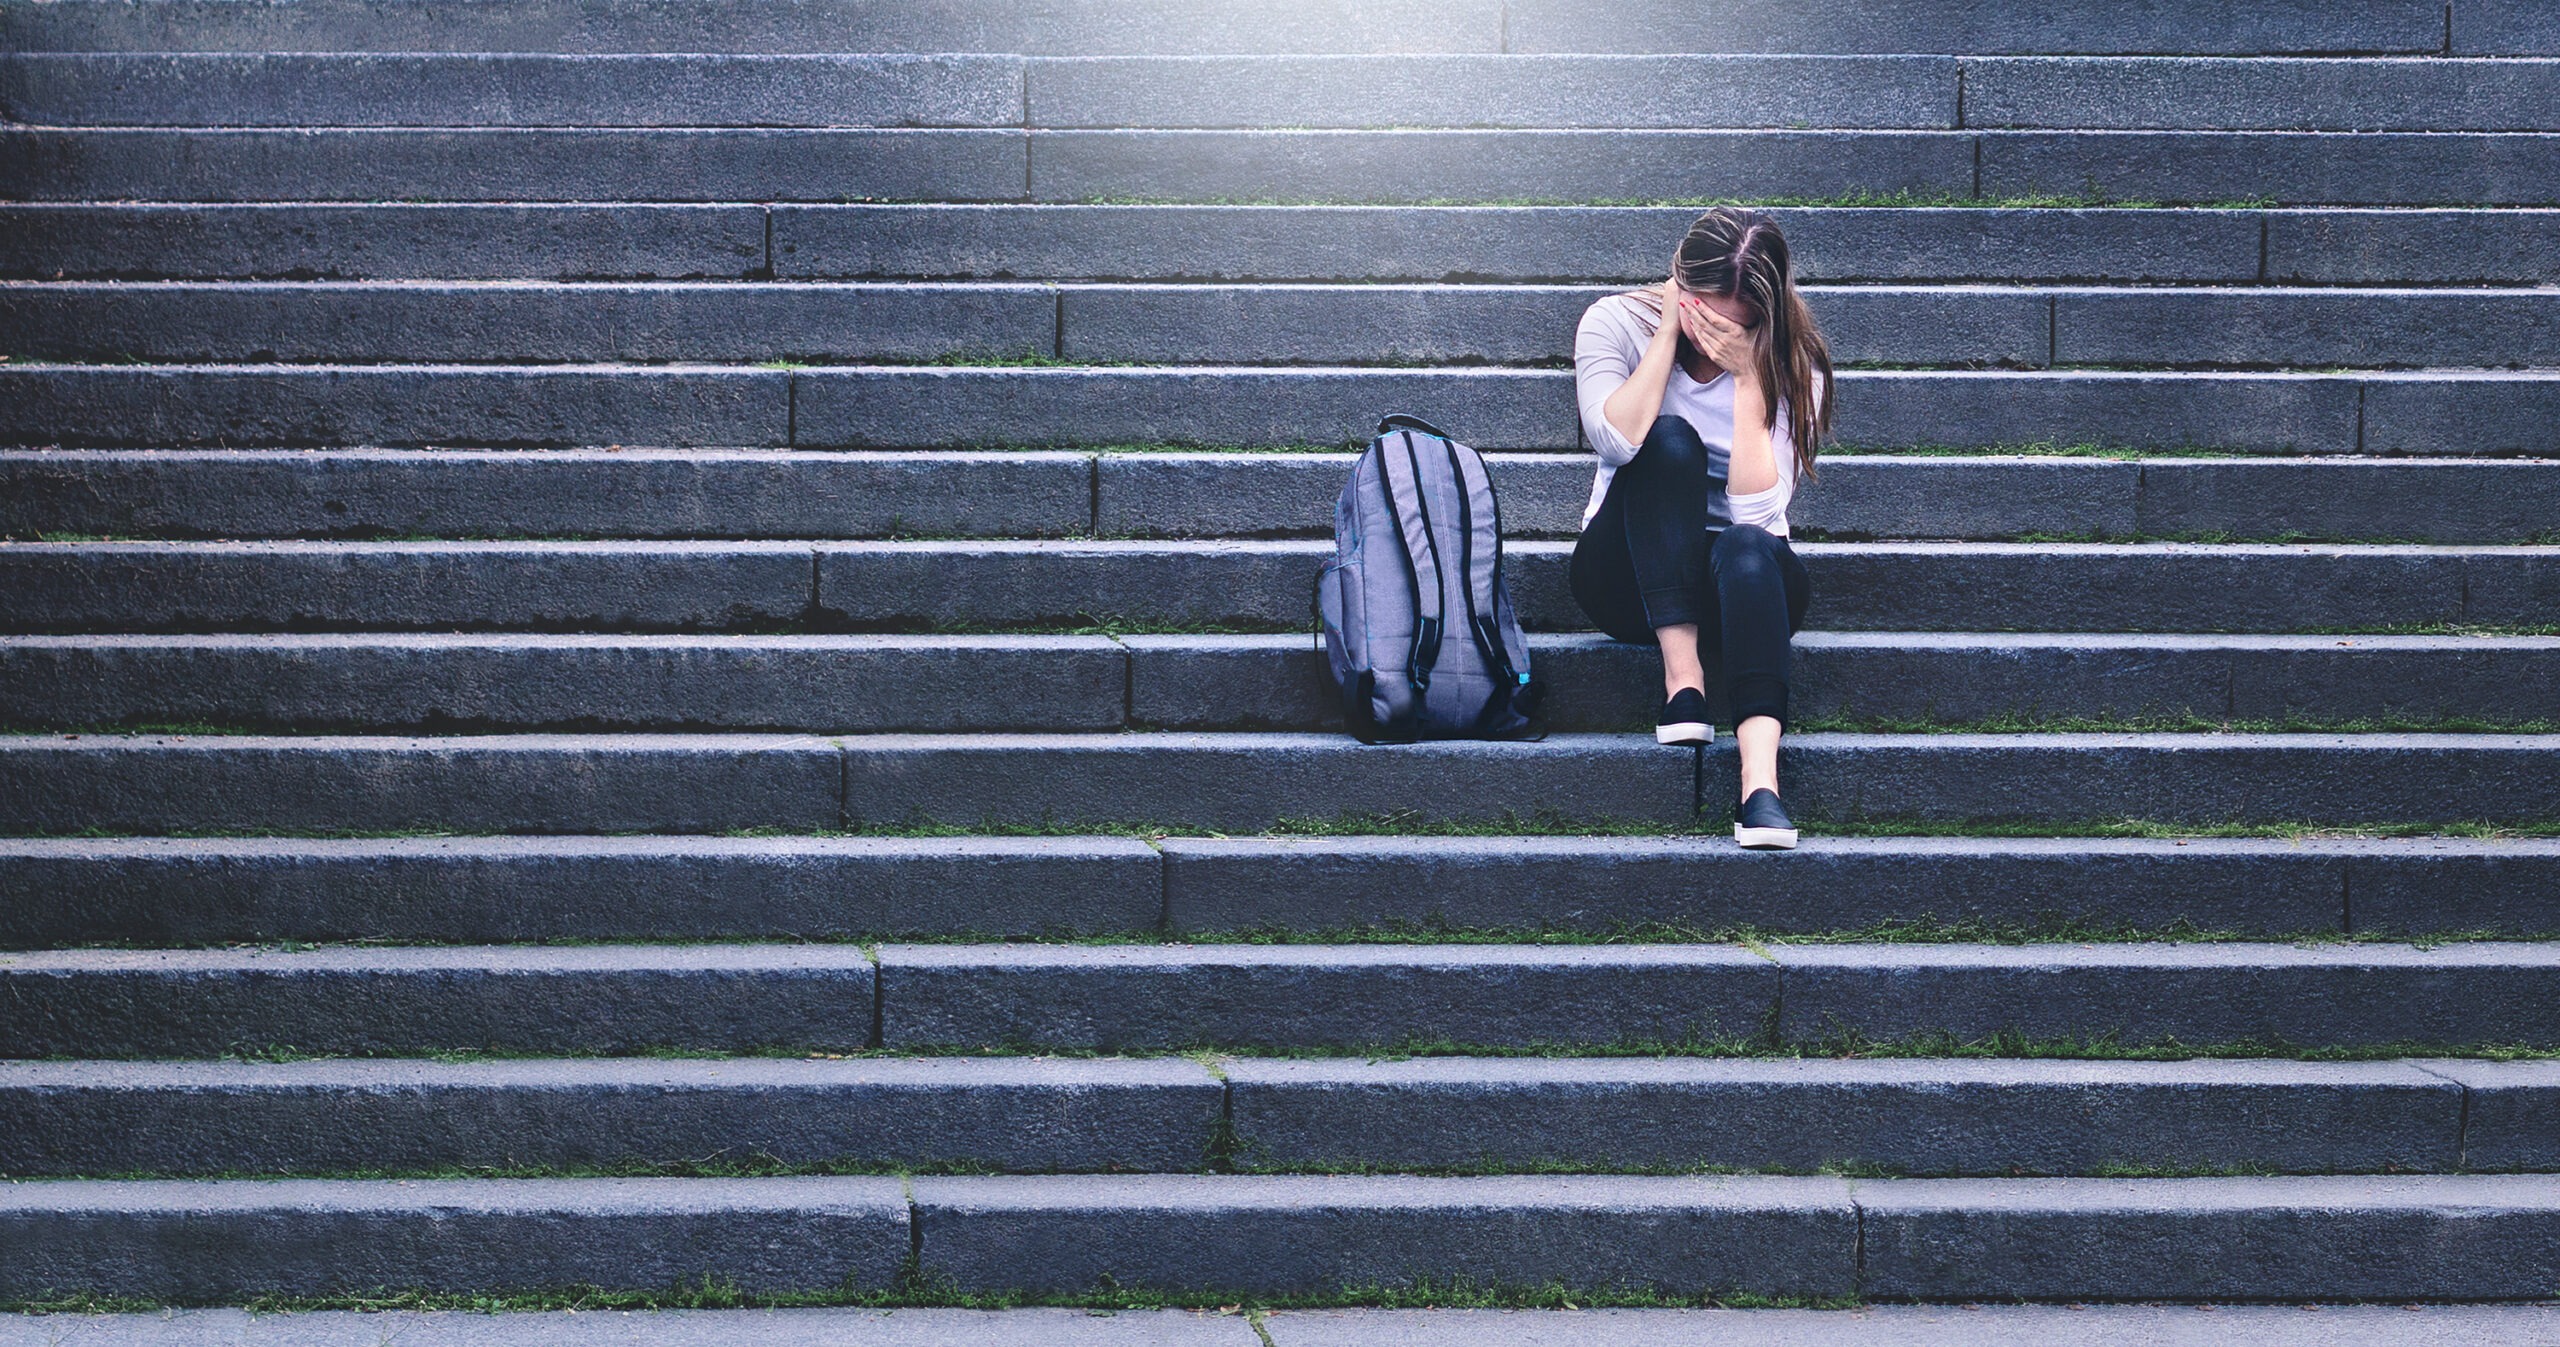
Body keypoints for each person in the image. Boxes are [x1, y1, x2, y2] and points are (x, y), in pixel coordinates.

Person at [1568, 207, 1834, 850]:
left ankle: (1760, 786)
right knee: (1666, 441)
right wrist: (1664, 335)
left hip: (1743, 584)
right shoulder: (1613, 324)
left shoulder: (1796, 368)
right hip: (1628, 573)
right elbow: (1613, 437)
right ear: (1678, 283)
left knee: (1747, 546)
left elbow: (1760, 519)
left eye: (1733, 324)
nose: (1712, 333)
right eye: (1701, 310)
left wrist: (1748, 379)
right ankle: (1682, 684)